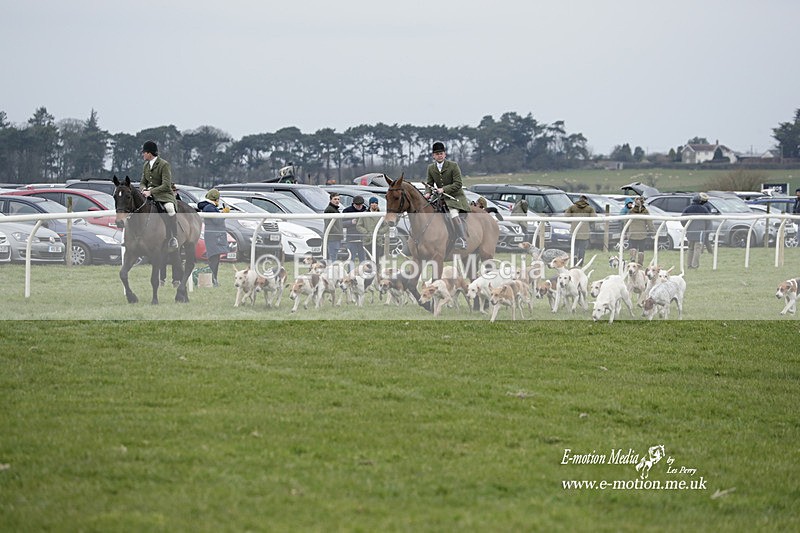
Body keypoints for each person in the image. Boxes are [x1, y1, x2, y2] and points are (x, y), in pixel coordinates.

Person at [424, 141, 471, 249]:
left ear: (445, 154)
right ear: (433, 156)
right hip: (439, 198)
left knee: (453, 213)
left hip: (455, 198)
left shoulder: (453, 166)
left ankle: (462, 239)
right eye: (437, 154)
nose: (439, 155)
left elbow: (458, 184)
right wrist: (427, 193)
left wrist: (443, 189)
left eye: (441, 153)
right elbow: (429, 183)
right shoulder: (431, 168)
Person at [140, 140, 179, 251]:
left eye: (144, 152)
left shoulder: (164, 164)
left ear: (149, 153)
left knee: (170, 209)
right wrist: (143, 189)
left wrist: (151, 192)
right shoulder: (146, 165)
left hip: (164, 195)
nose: (143, 154)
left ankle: (173, 237)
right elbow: (142, 182)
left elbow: (166, 185)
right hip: (149, 194)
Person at [197, 189, 229, 287]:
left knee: (215, 259)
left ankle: (213, 279)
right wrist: (224, 213)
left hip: (214, 236)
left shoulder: (209, 206)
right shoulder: (210, 207)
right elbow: (217, 221)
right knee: (214, 260)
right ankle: (211, 280)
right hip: (214, 236)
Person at [681, 192, 712, 269]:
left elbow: (682, 220)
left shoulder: (687, 209)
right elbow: (708, 221)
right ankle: (695, 265)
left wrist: (686, 227)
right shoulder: (704, 209)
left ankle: (689, 265)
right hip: (700, 233)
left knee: (690, 249)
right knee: (697, 249)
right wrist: (707, 230)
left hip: (690, 232)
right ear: (700, 201)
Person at [564, 194, 596, 265]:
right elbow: (593, 219)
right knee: (582, 248)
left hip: (574, 230)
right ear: (586, 200)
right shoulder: (590, 208)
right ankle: (580, 262)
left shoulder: (572, 207)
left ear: (579, 199)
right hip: (585, 232)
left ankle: (574, 260)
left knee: (574, 247)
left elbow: (566, 216)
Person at [626, 196, 655, 265]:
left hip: (632, 233)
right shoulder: (645, 211)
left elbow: (626, 222)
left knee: (633, 248)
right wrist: (653, 232)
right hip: (642, 234)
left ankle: (632, 262)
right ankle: (640, 264)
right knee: (641, 250)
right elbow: (650, 223)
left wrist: (625, 232)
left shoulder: (631, 211)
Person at [342, 195, 367, 263]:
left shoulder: (365, 211)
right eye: (357, 205)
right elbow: (341, 223)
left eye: (361, 205)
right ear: (354, 204)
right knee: (351, 257)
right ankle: (350, 271)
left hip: (362, 237)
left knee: (363, 257)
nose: (359, 207)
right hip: (351, 237)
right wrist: (350, 222)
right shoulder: (347, 211)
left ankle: (363, 271)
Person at [324, 192, 343, 261]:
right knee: (332, 257)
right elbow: (329, 224)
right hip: (333, 237)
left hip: (336, 237)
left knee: (334, 256)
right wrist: (338, 233)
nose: (337, 201)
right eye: (335, 199)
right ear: (330, 200)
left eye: (338, 199)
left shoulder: (335, 209)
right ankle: (331, 271)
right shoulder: (329, 210)